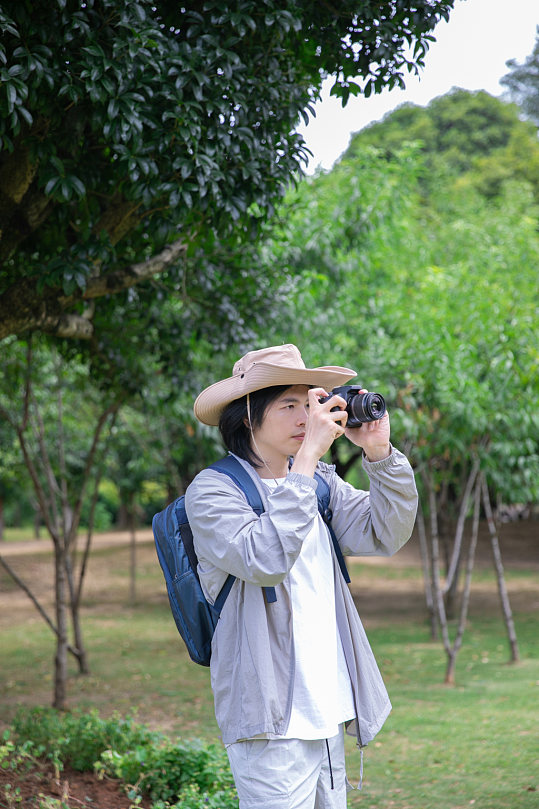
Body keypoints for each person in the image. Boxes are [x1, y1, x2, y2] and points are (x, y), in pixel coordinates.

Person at [185, 344, 418, 809]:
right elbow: (265, 559)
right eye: (289, 405)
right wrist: (308, 461)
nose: (304, 417)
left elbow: (385, 532)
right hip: (270, 719)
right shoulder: (212, 491)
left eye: (308, 403)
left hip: (329, 708)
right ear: (248, 417)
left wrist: (379, 453)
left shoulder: (322, 482)